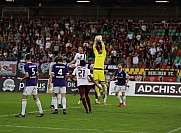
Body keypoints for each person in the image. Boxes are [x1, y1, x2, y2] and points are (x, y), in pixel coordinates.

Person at [93, 35, 107, 105]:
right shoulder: (96, 54)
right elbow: (94, 48)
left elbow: (103, 47)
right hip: (95, 70)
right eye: (100, 49)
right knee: (96, 83)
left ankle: (104, 92)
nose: (100, 50)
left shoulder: (103, 55)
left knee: (102, 84)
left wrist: (101, 41)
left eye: (101, 49)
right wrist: (95, 41)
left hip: (101, 70)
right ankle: (98, 96)